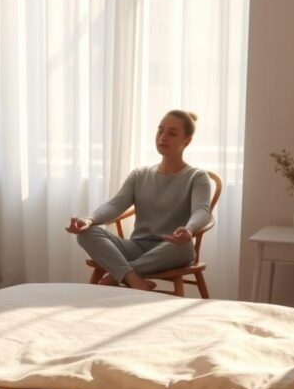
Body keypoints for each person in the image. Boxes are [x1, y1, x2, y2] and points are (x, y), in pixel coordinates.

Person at [65, 111, 213, 291]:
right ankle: (135, 280)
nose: (163, 137)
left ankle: (117, 275)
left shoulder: (197, 177)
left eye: (172, 133)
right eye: (160, 130)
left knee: (185, 248)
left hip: (170, 249)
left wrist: (189, 229)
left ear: (187, 141)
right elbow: (115, 205)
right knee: (86, 233)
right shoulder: (140, 175)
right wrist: (89, 220)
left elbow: (202, 211)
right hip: (136, 247)